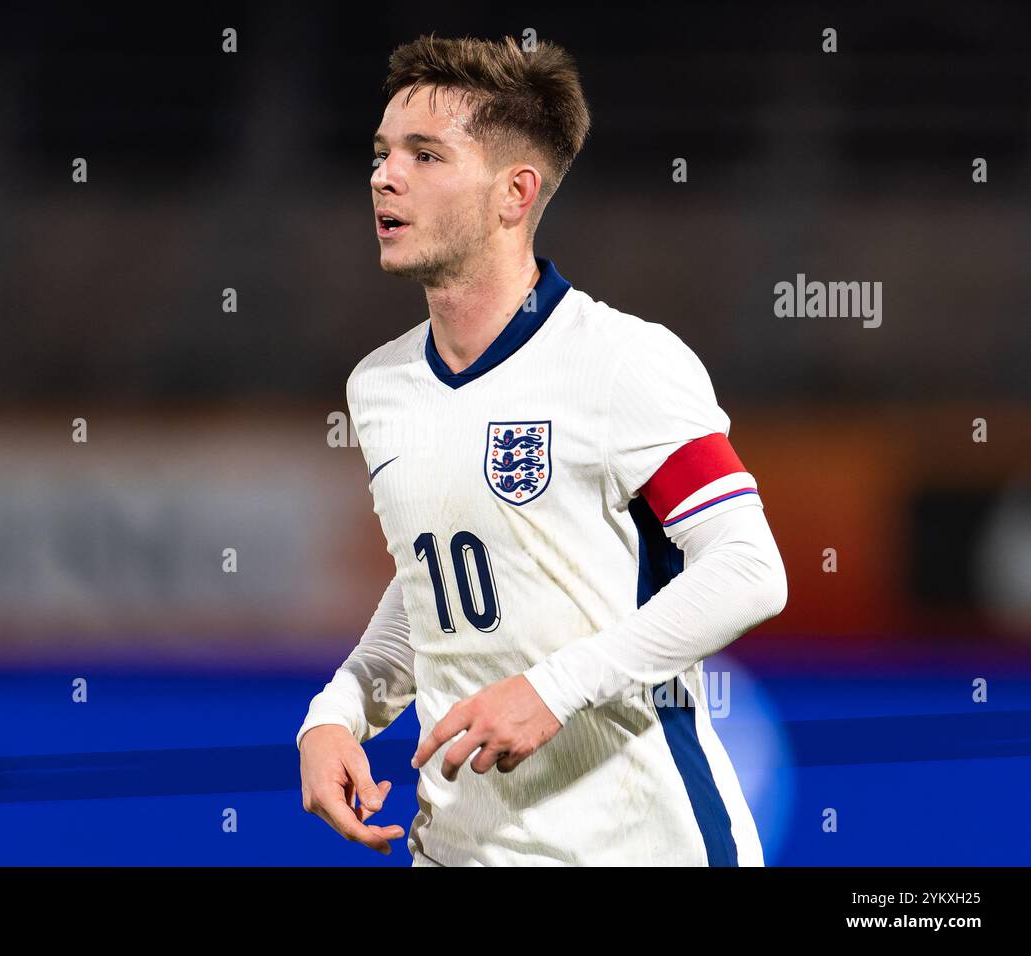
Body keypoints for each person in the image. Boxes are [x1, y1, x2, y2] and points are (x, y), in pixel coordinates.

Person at [297, 33, 787, 866]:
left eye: (425, 154)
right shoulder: (378, 388)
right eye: (382, 153)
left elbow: (748, 569)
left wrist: (553, 690)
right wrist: (338, 709)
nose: (385, 175)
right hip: (454, 846)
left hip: (639, 845)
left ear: (514, 193)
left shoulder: (624, 362)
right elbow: (439, 586)